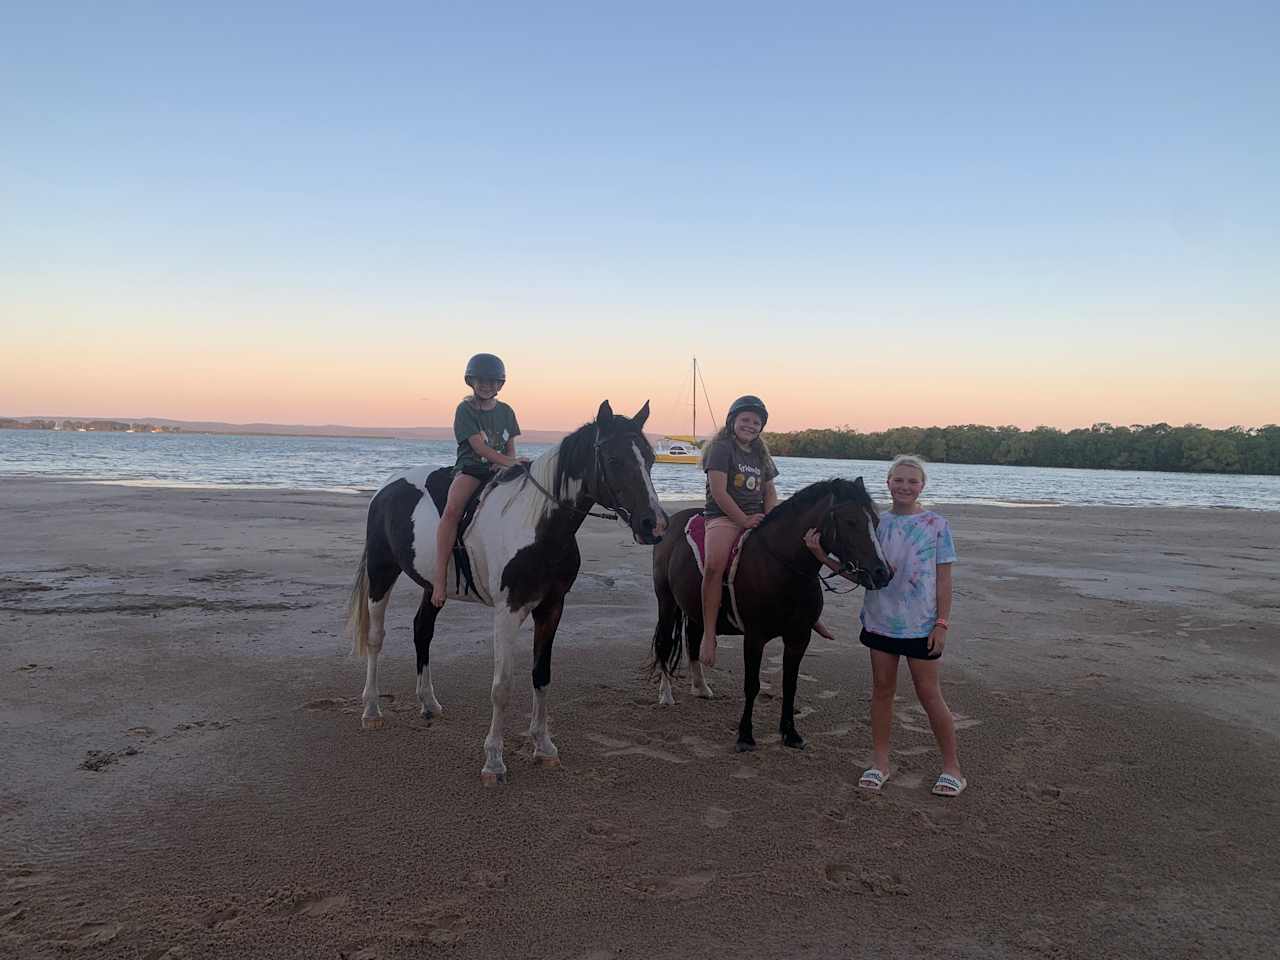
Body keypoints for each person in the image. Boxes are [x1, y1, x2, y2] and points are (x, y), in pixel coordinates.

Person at [802, 454, 965, 797]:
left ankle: (952, 768)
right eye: (899, 480)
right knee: (882, 691)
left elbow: (944, 580)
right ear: (888, 483)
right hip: (880, 623)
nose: (905, 486)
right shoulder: (877, 525)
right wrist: (820, 556)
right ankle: (879, 763)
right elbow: (861, 576)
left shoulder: (936, 525)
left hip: (921, 626)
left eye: (912, 481)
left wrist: (942, 623)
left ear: (922, 486)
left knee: (929, 694)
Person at [431, 353, 522, 608]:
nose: (487, 385)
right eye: (482, 380)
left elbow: (510, 447)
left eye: (493, 382)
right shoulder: (465, 409)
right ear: (471, 381)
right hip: (471, 469)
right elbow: (479, 447)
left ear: (500, 385)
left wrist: (508, 463)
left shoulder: (506, 411)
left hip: (499, 468)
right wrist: (509, 462)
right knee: (451, 511)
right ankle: (439, 579)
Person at [699, 395, 778, 668]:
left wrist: (770, 518)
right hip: (724, 517)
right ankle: (709, 634)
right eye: (745, 420)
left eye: (756, 422)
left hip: (756, 516)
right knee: (714, 565)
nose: (751, 425)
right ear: (733, 420)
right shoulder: (721, 448)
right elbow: (719, 492)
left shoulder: (761, 453)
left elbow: (769, 490)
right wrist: (743, 520)